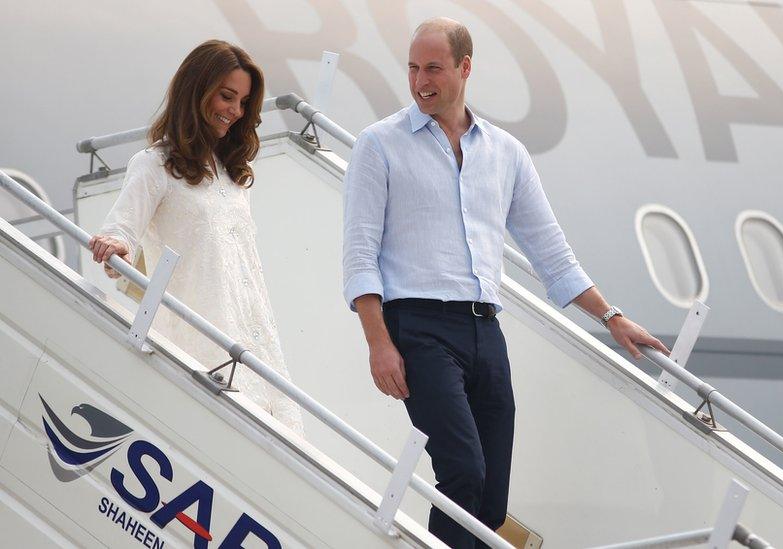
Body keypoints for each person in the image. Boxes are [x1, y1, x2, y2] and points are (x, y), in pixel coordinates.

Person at [342, 17, 669, 547]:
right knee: (463, 471)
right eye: (412, 67)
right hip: (418, 329)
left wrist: (612, 317)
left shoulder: (505, 153)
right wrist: (378, 342)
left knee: (491, 500)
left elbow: (550, 252)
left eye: (433, 68)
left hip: (484, 332)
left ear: (465, 68)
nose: (420, 80)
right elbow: (359, 253)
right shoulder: (379, 145)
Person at [89, 40, 304, 436]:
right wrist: (117, 244)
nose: (235, 111)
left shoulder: (234, 176)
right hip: (199, 350)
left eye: (242, 102)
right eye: (226, 96)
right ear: (196, 89)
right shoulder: (154, 164)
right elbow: (121, 228)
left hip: (257, 343)